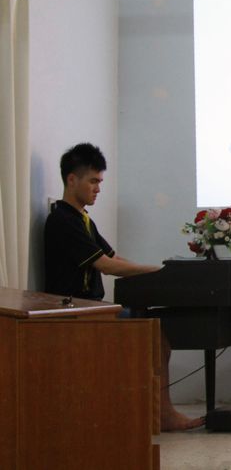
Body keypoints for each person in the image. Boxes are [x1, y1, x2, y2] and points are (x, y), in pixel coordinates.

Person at [45, 143, 204, 431]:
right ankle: (161, 415)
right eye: (93, 181)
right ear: (72, 179)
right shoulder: (63, 220)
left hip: (91, 308)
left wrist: (157, 270)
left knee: (156, 333)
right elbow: (106, 266)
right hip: (75, 311)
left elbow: (114, 258)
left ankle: (156, 412)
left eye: (100, 182)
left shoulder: (82, 219)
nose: (98, 189)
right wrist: (160, 271)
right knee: (155, 335)